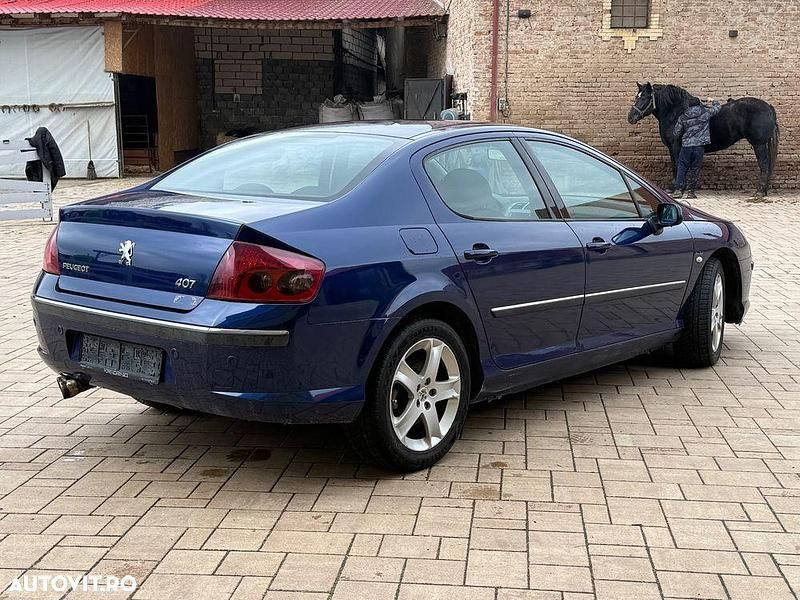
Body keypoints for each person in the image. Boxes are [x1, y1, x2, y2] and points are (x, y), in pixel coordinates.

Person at [672, 97, 722, 199]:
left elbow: (676, 133)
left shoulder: (683, 116)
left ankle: (679, 190)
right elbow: (718, 108)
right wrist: (712, 101)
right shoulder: (705, 112)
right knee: (695, 168)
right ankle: (691, 192)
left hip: (686, 145)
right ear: (698, 104)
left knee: (682, 167)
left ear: (689, 105)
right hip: (699, 145)